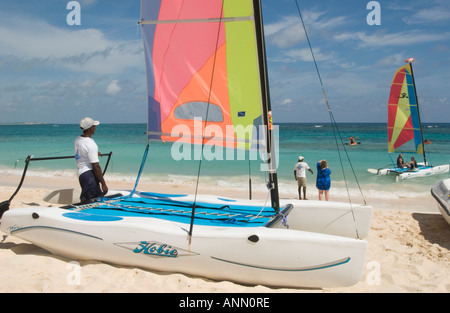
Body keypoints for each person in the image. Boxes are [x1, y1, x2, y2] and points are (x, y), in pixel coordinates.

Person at [75, 117, 108, 204]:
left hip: (81, 174)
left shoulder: (78, 139)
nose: (95, 128)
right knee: (88, 202)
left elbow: (84, 150)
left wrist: (96, 152)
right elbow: (96, 166)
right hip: (89, 176)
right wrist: (103, 184)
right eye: (94, 126)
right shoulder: (91, 144)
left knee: (96, 198)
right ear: (90, 128)